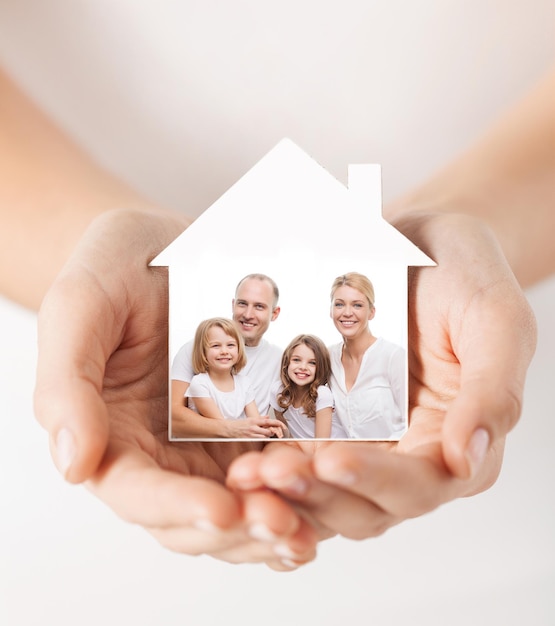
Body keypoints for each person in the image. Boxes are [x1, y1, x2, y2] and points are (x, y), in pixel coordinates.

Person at [2, 58, 553, 565]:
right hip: (57, 530)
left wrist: (455, 234)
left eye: (257, 309)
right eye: (238, 307)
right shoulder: (192, 360)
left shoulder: (311, 364)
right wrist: (92, 253)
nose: (241, 324)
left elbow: (314, 411)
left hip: (503, 530)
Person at [170, 274, 285, 439]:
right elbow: (173, 419)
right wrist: (231, 429)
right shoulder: (194, 348)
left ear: (274, 313)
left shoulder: (281, 359)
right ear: (233, 305)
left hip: (251, 450)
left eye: (259, 306)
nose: (248, 314)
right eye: (242, 303)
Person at [328, 272, 406, 439]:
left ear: (371, 312)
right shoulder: (328, 357)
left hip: (391, 458)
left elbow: (413, 423)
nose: (347, 313)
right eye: (339, 304)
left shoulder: (393, 356)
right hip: (347, 459)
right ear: (331, 311)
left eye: (357, 305)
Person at [185, 317, 284, 438]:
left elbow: (255, 420)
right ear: (203, 352)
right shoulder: (199, 383)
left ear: (239, 349)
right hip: (211, 445)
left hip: (237, 442)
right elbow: (223, 428)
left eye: (231, 345)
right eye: (216, 346)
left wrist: (268, 428)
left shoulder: (244, 382)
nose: (224, 351)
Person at [270, 334, 346, 439]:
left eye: (312, 363)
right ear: (287, 362)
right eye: (296, 360)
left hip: (329, 450)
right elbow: (285, 434)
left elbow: (322, 443)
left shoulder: (322, 394)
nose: (303, 367)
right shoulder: (278, 391)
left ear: (320, 368)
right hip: (302, 449)